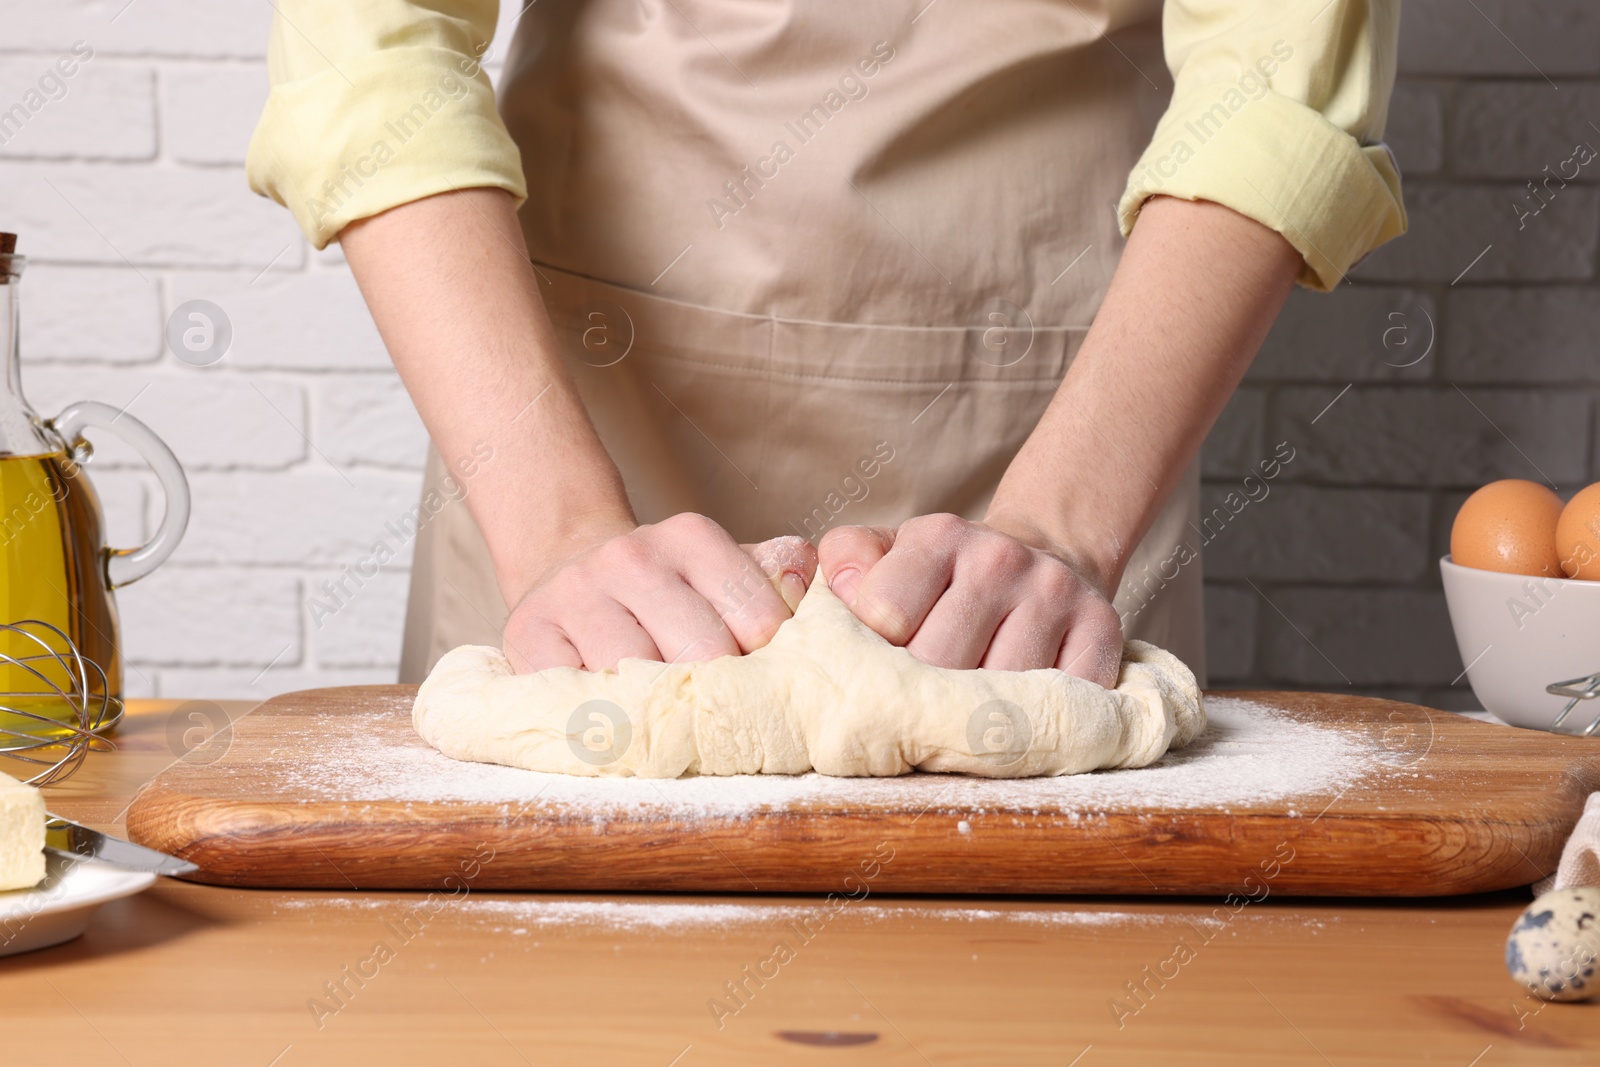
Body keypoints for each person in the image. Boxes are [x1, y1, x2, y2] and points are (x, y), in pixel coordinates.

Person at [247, 0, 1405, 688]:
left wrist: (1057, 525)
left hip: (1061, 423)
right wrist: (558, 533)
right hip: (572, 430)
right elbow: (371, 55)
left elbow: (1273, 90)